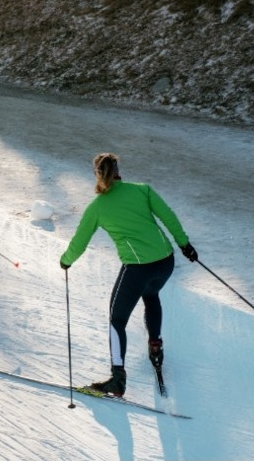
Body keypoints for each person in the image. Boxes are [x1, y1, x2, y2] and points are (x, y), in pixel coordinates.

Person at [59, 153, 197, 397]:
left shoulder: (98, 207)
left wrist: (65, 261)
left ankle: (118, 378)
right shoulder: (142, 190)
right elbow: (169, 217)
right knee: (151, 295)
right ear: (118, 169)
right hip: (165, 262)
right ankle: (155, 347)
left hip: (137, 267)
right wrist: (185, 245)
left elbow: (79, 243)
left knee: (117, 320)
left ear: (97, 174)